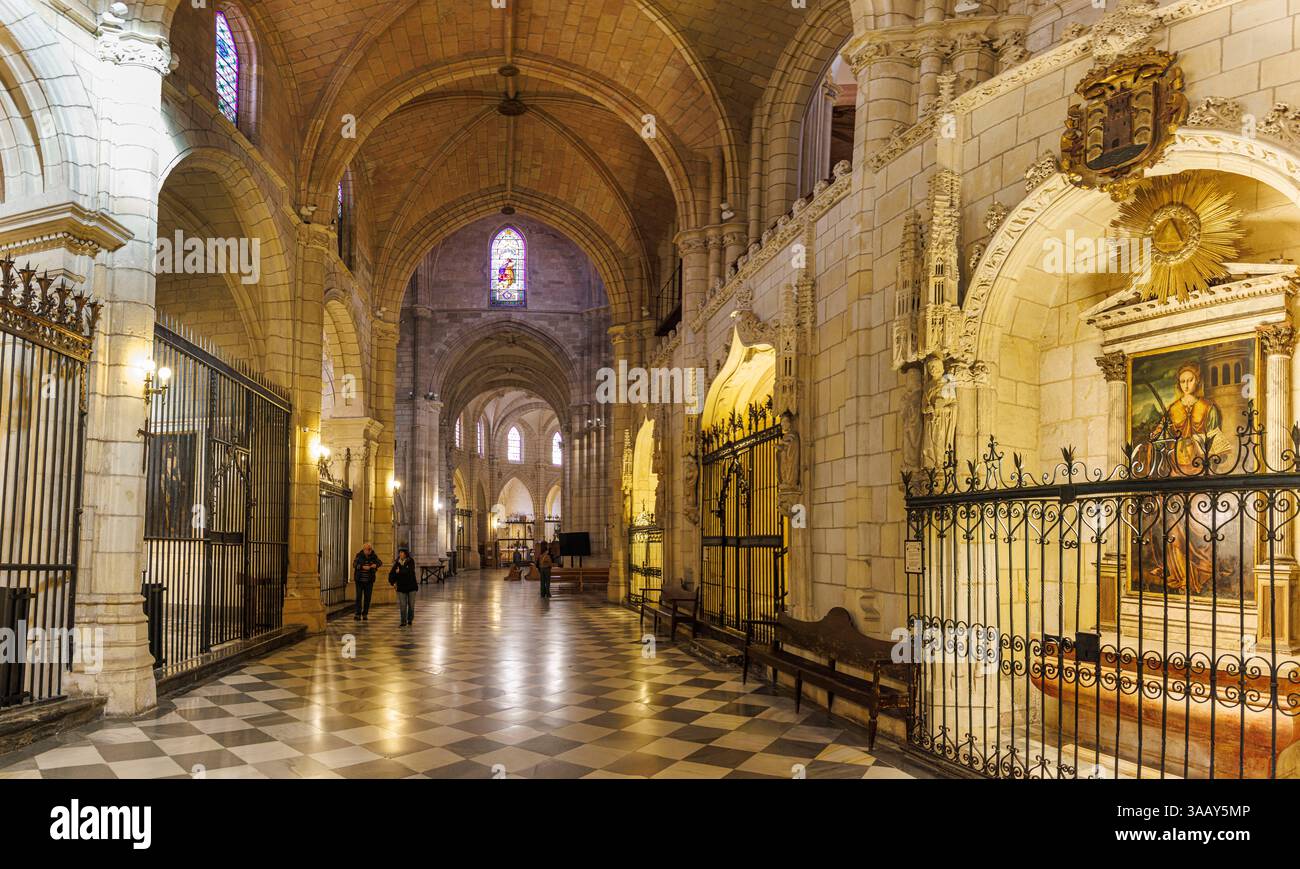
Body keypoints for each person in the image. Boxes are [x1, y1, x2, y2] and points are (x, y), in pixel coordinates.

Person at [389, 547, 418, 627]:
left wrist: (400, 571)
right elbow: (392, 574)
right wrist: (393, 583)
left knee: (411, 605)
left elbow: (410, 572)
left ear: (405, 554)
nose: (400, 554)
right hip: (401, 587)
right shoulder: (397, 563)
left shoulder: (410, 561)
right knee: (403, 605)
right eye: (400, 553)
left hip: (411, 587)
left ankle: (410, 619)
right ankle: (403, 621)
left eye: (402, 552)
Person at [352, 543, 382, 620]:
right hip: (359, 580)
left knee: (367, 597)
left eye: (369, 549)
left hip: (369, 581)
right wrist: (362, 567)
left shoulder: (373, 556)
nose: (368, 551)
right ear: (364, 549)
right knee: (358, 597)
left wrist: (375, 565)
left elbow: (380, 562)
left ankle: (365, 613)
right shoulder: (359, 556)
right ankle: (357, 614)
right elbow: (354, 564)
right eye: (367, 549)